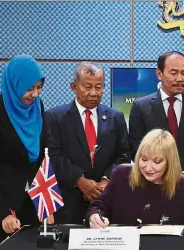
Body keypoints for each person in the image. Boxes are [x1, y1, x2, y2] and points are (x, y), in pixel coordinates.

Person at [129, 51, 184, 219]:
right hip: (152, 186)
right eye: (173, 73)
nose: (180, 78)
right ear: (159, 74)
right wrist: (157, 172)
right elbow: (136, 147)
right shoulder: (141, 107)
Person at [47, 62, 131, 224]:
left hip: (106, 199)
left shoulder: (116, 117)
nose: (94, 93)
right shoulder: (55, 117)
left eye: (99, 87)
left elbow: (124, 154)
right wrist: (79, 180)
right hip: (69, 201)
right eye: (88, 87)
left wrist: (106, 181)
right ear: (74, 86)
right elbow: (54, 155)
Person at [87, 129, 184, 227]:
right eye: (144, 159)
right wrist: (95, 215)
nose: (148, 168)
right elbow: (99, 206)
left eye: (157, 161)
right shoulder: (121, 175)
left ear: (170, 162)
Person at [0, 55, 47, 248]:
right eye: (29, 88)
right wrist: (2, 214)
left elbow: (42, 159)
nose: (35, 94)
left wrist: (46, 203)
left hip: (33, 204)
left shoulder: (37, 108)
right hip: (3, 209)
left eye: (39, 87)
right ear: (14, 85)